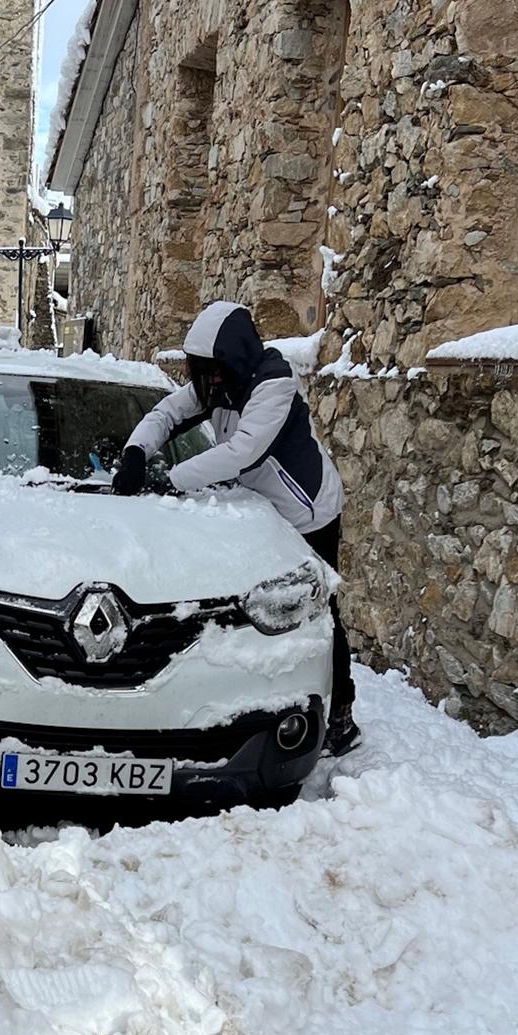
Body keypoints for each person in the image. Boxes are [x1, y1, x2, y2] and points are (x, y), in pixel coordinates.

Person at [112, 299, 359, 754]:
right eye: (203, 371)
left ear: (236, 358)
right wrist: (135, 453)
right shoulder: (216, 386)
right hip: (263, 508)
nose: (210, 380)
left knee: (319, 609)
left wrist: (170, 480)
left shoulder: (272, 384)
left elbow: (243, 451)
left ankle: (341, 716)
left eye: (216, 369)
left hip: (308, 511)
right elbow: (167, 414)